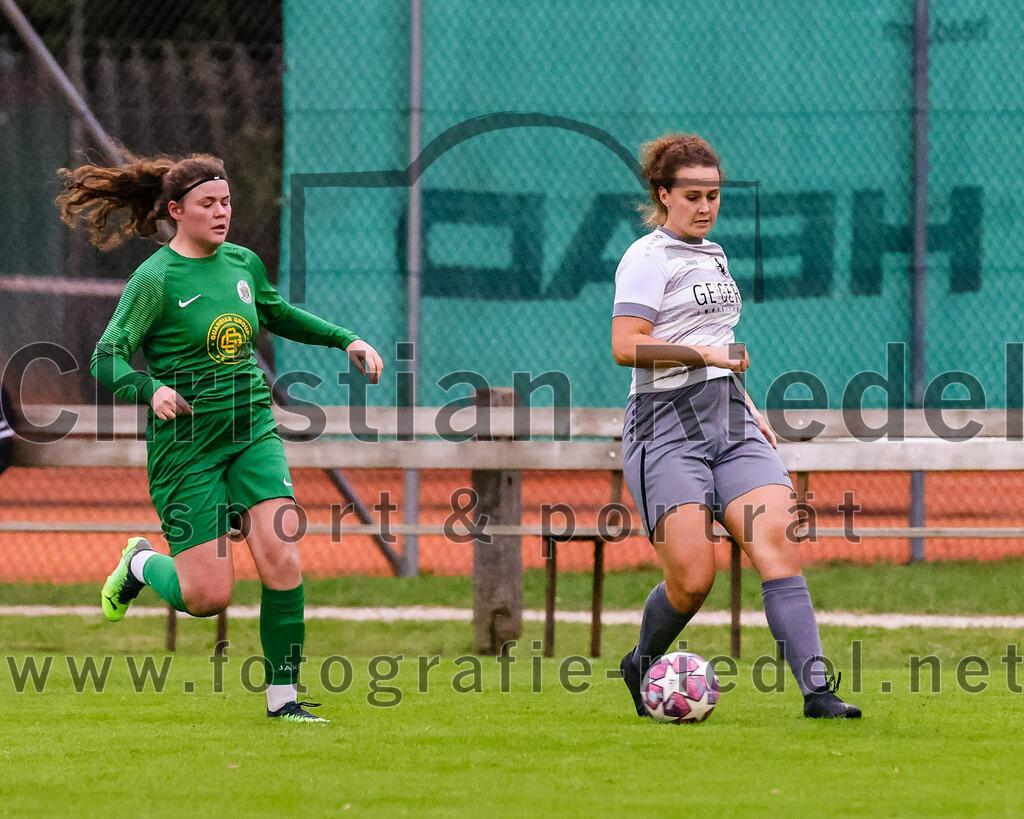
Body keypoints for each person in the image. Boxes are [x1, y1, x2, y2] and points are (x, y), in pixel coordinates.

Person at [57, 153, 384, 723]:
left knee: (282, 558)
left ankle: (284, 701)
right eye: (207, 203)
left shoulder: (242, 263)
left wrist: (345, 339)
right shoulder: (156, 279)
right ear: (176, 211)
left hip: (251, 431)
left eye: (226, 202)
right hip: (186, 450)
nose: (221, 212)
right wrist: (149, 388)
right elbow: (105, 358)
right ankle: (140, 564)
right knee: (208, 597)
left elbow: (278, 313)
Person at [612, 134, 859, 719]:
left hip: (730, 422)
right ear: (663, 194)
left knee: (777, 546)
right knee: (694, 579)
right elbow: (626, 346)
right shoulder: (646, 257)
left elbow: (715, 342)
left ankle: (818, 694)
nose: (705, 207)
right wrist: (706, 357)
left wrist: (745, 404)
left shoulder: (715, 255)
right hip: (664, 429)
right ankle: (641, 661)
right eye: (692, 196)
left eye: (714, 196)